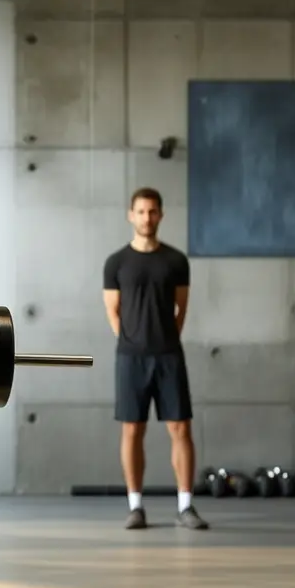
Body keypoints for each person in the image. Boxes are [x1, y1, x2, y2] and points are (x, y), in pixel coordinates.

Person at [101, 187, 208, 531]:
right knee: (132, 429)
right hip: (130, 358)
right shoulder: (116, 263)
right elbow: (113, 312)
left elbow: (181, 310)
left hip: (169, 356)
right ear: (131, 215)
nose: (147, 218)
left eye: (153, 212)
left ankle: (186, 507)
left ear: (161, 215)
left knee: (181, 429)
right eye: (141, 212)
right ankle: (136, 507)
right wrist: (132, 342)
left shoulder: (176, 261)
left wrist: (163, 340)